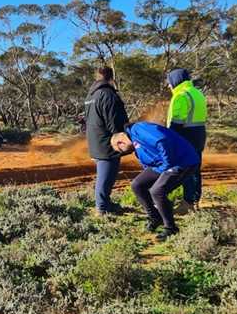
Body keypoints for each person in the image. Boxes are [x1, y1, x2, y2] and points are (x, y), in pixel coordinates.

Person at [110, 122, 199, 240]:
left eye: (120, 151)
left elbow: (162, 140)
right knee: (137, 185)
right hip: (164, 165)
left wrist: (167, 164)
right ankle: (155, 217)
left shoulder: (138, 129)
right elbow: (148, 165)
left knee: (157, 191)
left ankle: (170, 228)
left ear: (120, 142)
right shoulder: (136, 147)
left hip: (183, 161)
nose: (123, 153)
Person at [84, 66, 129, 216]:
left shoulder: (91, 95)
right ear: (111, 77)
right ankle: (102, 208)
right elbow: (114, 121)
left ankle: (106, 204)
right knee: (106, 175)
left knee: (105, 174)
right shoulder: (108, 95)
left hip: (95, 139)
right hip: (107, 142)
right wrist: (122, 135)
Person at [165, 68, 207, 212]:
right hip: (199, 135)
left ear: (176, 81)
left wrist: (169, 139)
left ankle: (187, 204)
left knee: (186, 170)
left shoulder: (181, 96)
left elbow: (177, 122)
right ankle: (194, 201)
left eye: (169, 82)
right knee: (195, 169)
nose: (168, 86)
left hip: (185, 137)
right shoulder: (197, 93)